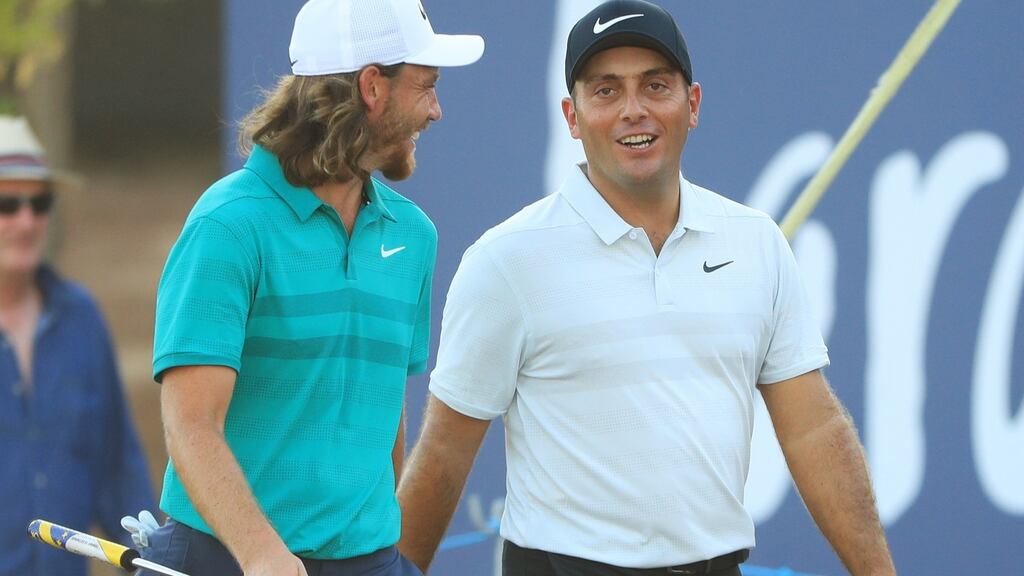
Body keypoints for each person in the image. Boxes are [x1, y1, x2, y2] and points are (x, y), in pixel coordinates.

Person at [397, 1, 897, 575]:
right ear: (572, 116)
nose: (633, 111)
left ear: (693, 104)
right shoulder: (506, 260)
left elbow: (814, 429)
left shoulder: (755, 241)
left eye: (655, 86)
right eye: (606, 91)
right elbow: (443, 456)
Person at [143, 1, 484, 575]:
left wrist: (383, 545)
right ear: (372, 87)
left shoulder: (414, 236)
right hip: (229, 558)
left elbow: (382, 409)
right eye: (426, 87)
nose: (437, 110)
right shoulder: (227, 226)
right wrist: (259, 552)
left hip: (369, 561)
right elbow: (189, 424)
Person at [0, 115, 155, 576]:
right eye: (8, 204)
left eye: (40, 203)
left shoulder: (81, 318)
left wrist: (151, 560)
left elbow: (117, 466)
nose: (27, 221)